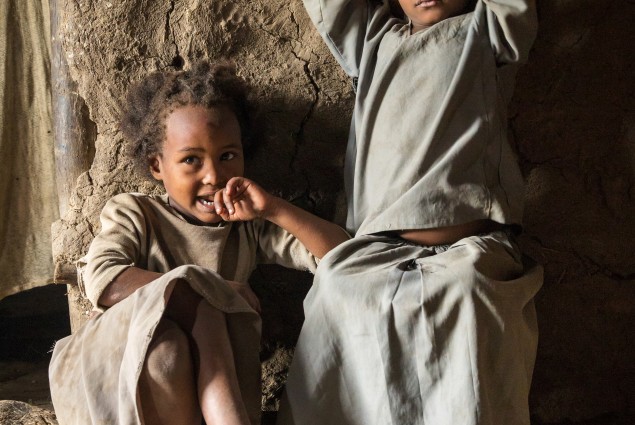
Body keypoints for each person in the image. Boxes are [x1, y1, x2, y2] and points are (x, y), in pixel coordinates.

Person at [276, 0, 543, 424]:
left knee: (470, 297)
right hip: (375, 255)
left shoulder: (488, 30)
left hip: (470, 251)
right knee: (335, 288)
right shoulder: (371, 42)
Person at [48, 60, 349, 425]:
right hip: (114, 379)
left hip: (179, 383)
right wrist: (213, 290)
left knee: (174, 346)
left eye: (227, 157)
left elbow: (340, 255)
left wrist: (273, 208)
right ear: (157, 166)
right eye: (191, 159)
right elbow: (103, 278)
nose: (214, 176)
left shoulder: (246, 224)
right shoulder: (136, 214)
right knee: (197, 313)